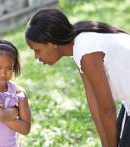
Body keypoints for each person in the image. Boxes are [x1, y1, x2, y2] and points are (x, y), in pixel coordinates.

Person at [25, 8, 130, 147]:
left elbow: (107, 110)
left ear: (52, 43)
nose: (36, 57)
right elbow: (93, 100)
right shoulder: (79, 45)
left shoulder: (87, 52)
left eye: (37, 50)